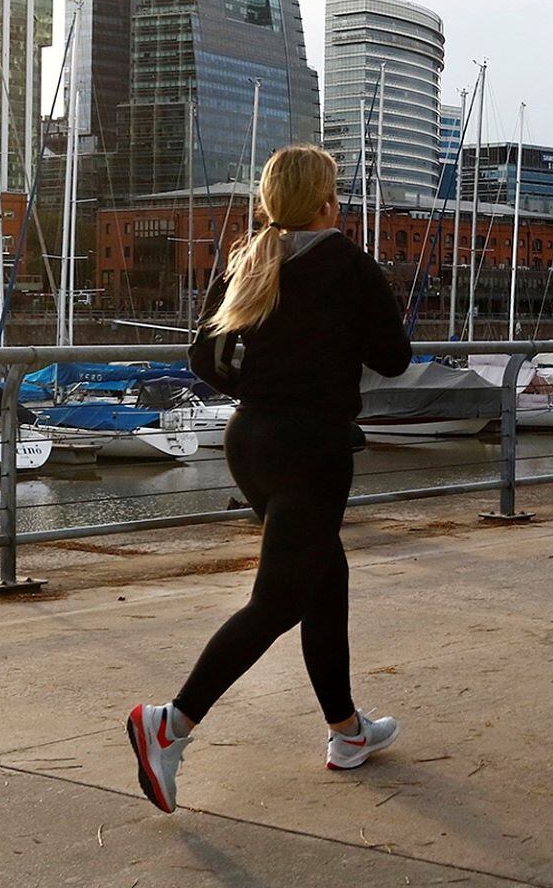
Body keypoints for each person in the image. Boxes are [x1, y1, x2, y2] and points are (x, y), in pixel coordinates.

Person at [126, 145, 413, 814]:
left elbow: (203, 355)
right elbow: (394, 360)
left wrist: (262, 381)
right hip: (312, 448)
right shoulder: (347, 263)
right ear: (324, 202)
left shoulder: (249, 259)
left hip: (250, 438)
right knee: (281, 599)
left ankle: (347, 732)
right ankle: (170, 723)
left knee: (323, 581)